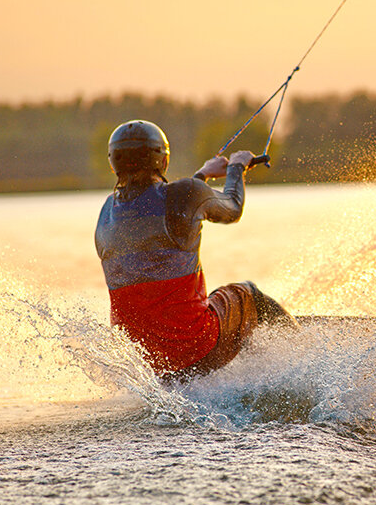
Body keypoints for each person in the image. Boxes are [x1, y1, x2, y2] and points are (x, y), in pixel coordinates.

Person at [95, 119, 295, 384]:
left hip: (150, 366)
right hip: (197, 350)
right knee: (250, 295)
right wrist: (236, 167)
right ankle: (301, 352)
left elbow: (165, 208)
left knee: (211, 300)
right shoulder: (185, 195)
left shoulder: (106, 214)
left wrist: (202, 175)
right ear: (163, 162)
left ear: (113, 164)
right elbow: (232, 208)